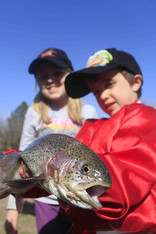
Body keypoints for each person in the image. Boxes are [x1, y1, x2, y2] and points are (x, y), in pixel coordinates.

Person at [5, 48, 98, 234]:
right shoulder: (34, 113)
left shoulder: (88, 113)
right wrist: (13, 208)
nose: (49, 79)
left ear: (70, 74)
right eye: (42, 76)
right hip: (44, 200)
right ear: (37, 82)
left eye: (57, 73)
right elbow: (19, 160)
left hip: (78, 201)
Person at [63, 48, 156, 233]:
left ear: (136, 82)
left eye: (109, 84)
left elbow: (125, 180)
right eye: (96, 92)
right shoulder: (95, 126)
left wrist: (61, 169)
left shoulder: (145, 118)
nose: (103, 95)